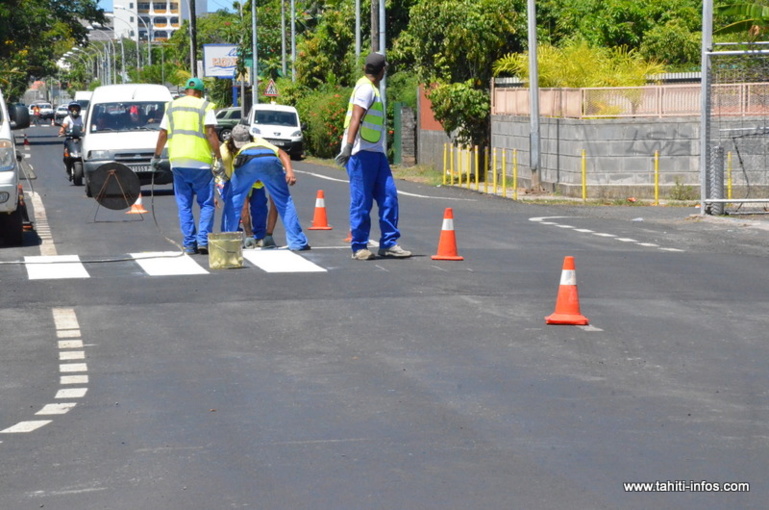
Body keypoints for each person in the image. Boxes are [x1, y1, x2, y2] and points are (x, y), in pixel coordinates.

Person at [336, 52, 411, 260]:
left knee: (389, 196)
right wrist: (349, 147)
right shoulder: (365, 89)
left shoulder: (372, 89)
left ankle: (388, 243)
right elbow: (356, 117)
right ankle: (359, 246)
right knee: (362, 201)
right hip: (361, 153)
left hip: (376, 153)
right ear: (382, 71)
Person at [152, 77, 222, 255]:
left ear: (185, 91)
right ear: (200, 92)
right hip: (201, 162)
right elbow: (211, 134)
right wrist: (219, 156)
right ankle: (203, 241)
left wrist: (157, 155)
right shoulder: (205, 106)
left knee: (184, 205)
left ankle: (189, 244)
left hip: (178, 162)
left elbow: (162, 133)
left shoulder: (171, 107)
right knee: (206, 204)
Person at [221, 125, 310, 251]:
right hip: (270, 159)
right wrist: (290, 172)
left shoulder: (226, 149)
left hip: (246, 160)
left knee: (234, 200)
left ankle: (227, 240)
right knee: (284, 200)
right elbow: (283, 153)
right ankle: (297, 241)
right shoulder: (260, 141)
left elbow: (233, 181)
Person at [220, 124, 278, 249]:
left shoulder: (259, 142)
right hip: (234, 177)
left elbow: (276, 153)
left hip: (255, 178)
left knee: (259, 207)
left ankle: (259, 236)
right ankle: (240, 235)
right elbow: (229, 172)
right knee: (237, 206)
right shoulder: (225, 150)